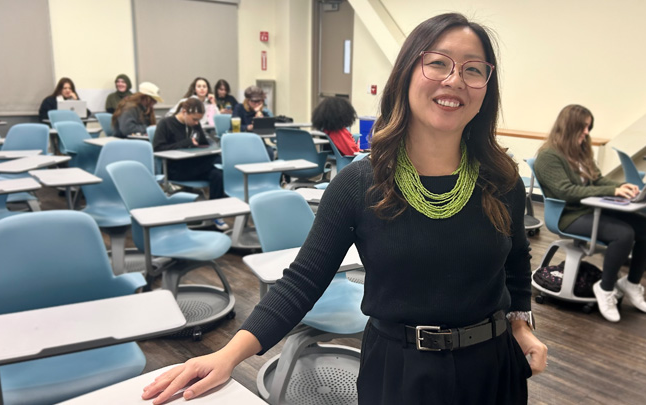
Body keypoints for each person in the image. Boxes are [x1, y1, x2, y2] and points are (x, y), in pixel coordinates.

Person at [141, 13, 547, 405]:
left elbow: (514, 262)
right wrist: (227, 355)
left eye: (473, 69)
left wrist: (520, 324)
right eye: (437, 63)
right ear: (406, 73)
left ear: (486, 88)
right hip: (401, 371)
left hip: (494, 369)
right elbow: (303, 282)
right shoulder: (360, 183)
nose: (455, 80)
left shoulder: (501, 177)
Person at [534, 104, 646, 323]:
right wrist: (611, 191)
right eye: (583, 127)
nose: (587, 132)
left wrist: (623, 187)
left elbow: (598, 179)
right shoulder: (548, 156)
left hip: (592, 209)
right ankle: (605, 288)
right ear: (569, 126)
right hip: (569, 216)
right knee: (623, 234)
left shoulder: (580, 151)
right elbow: (566, 191)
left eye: (588, 127)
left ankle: (631, 283)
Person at [152, 98, 228, 231]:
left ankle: (215, 212)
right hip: (176, 169)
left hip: (196, 166)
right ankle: (225, 163)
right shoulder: (166, 123)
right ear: (184, 112)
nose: (196, 123)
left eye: (198, 120)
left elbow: (204, 143)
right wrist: (185, 143)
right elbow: (157, 148)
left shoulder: (194, 125)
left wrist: (209, 147)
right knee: (217, 162)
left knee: (218, 174)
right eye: (194, 119)